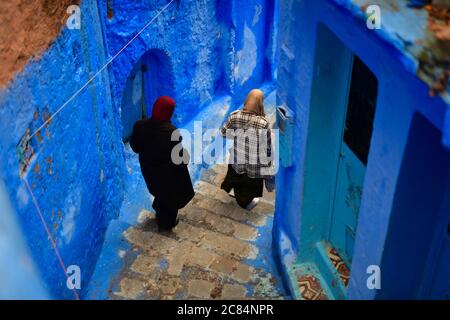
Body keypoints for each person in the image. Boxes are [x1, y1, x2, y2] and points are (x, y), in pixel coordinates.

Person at [130, 96, 194, 231]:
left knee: (159, 192)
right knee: (170, 198)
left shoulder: (139, 125)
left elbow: (135, 147)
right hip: (166, 176)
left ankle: (160, 213)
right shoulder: (172, 132)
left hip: (148, 170)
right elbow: (179, 160)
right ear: (169, 112)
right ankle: (166, 224)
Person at [220, 89, 275, 210]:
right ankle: (244, 203)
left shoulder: (234, 116)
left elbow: (224, 133)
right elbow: (267, 147)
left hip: (237, 159)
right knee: (250, 187)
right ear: (260, 103)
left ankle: (236, 193)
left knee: (237, 176)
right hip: (254, 164)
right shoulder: (263, 123)